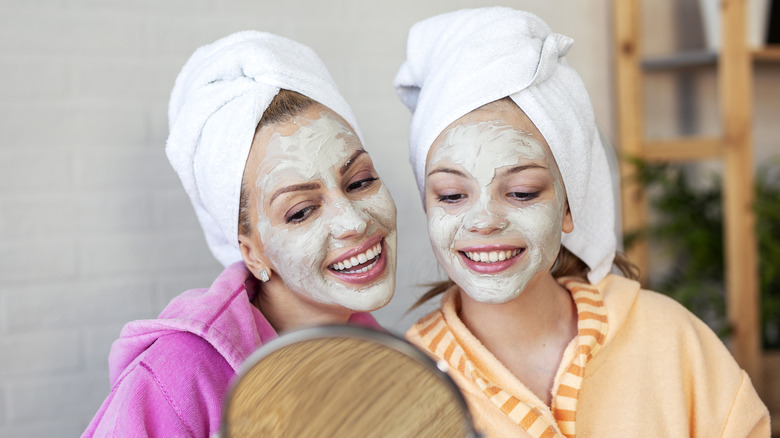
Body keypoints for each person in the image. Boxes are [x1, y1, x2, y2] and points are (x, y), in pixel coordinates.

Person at [394, 7, 769, 438]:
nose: (483, 221)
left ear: (570, 206)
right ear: (428, 207)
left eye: (521, 192)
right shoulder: (403, 382)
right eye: (453, 196)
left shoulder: (672, 339)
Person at [83, 31, 397, 437]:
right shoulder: (177, 377)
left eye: (360, 182)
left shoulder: (392, 362)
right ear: (252, 253)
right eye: (301, 211)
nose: (353, 221)